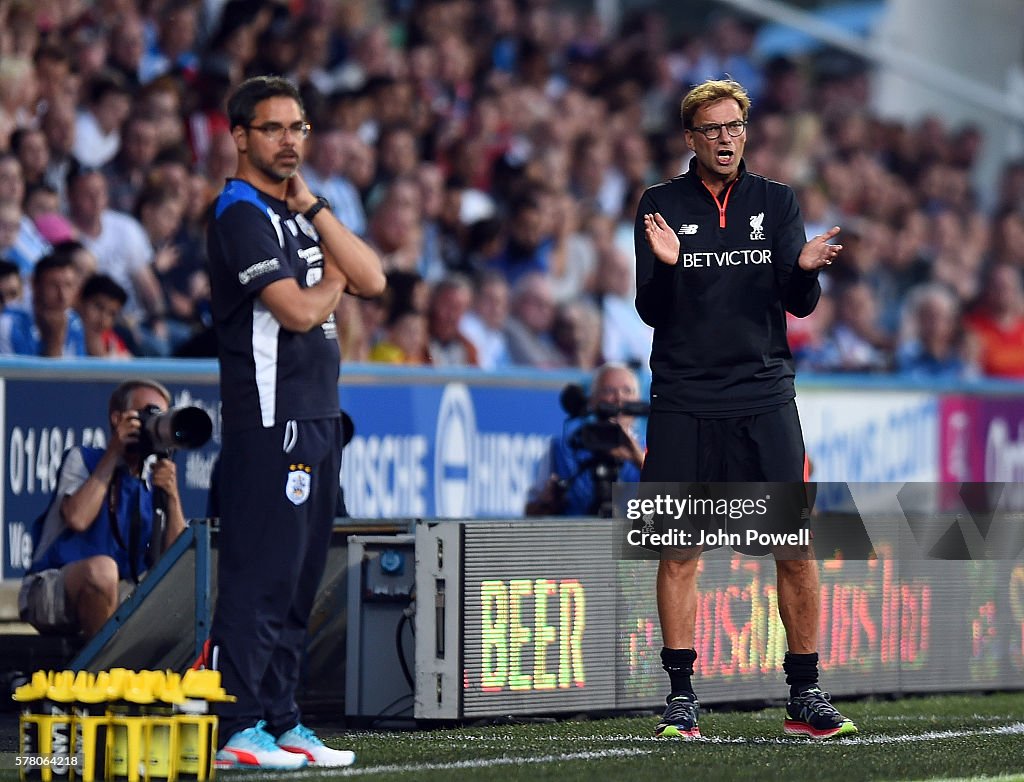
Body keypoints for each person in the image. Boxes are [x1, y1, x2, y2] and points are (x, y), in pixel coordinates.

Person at [634, 79, 854, 740]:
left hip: (763, 395)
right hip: (682, 395)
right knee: (679, 550)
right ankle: (680, 696)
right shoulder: (658, 204)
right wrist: (670, 265)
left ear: (746, 132)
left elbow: (800, 304)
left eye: (735, 126)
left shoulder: (778, 202)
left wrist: (806, 269)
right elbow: (651, 309)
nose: (726, 139)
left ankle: (805, 694)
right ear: (690, 139)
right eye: (712, 129)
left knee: (794, 547)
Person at [205, 75, 385, 771]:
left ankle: (282, 720)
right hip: (268, 420)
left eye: (299, 128)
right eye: (274, 128)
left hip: (316, 417)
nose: (290, 141)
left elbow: (375, 278)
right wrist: (336, 265)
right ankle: (238, 723)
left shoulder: (301, 209)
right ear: (241, 136)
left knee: (301, 579)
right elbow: (300, 312)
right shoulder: (238, 213)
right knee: (262, 579)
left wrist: (321, 219)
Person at [18, 380, 186, 638]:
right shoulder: (84, 459)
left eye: (160, 418)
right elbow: (78, 518)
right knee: (103, 571)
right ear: (117, 418)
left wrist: (172, 497)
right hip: (52, 589)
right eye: (146, 415)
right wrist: (114, 453)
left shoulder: (154, 479)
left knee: (185, 592)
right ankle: (105, 673)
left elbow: (175, 564)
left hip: (117, 594)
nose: (152, 425)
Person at [526, 363, 645, 517]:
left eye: (627, 391)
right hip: (575, 538)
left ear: (638, 400)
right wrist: (548, 502)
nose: (619, 398)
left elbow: (675, 516)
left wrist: (639, 461)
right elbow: (530, 513)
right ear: (592, 400)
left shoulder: (652, 451)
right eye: (608, 391)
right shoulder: (562, 450)